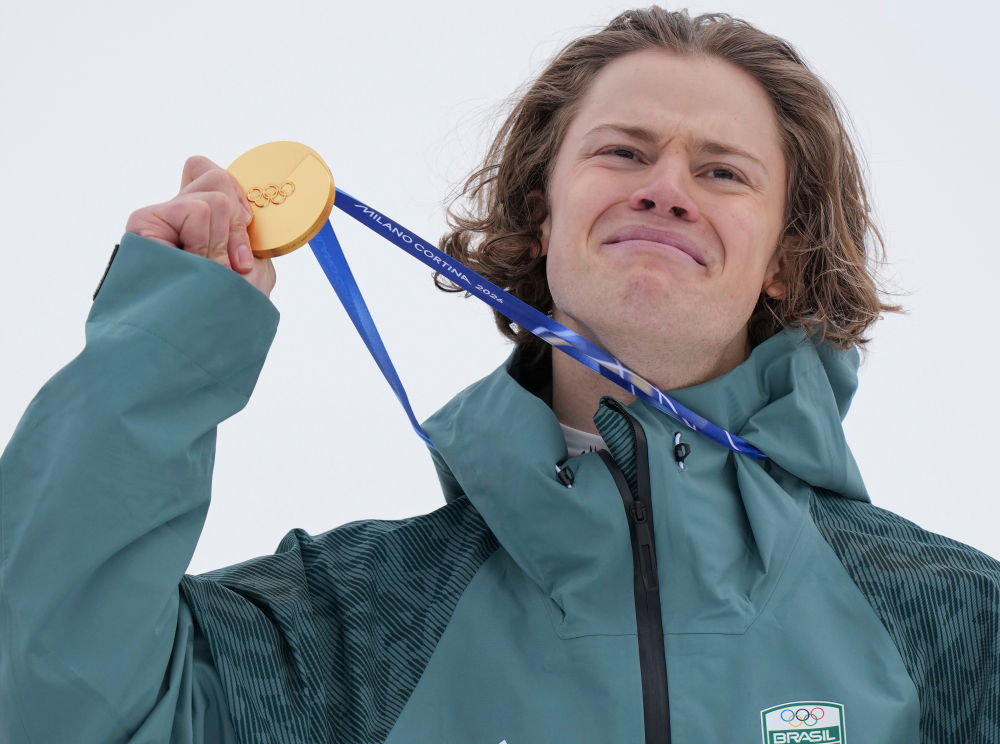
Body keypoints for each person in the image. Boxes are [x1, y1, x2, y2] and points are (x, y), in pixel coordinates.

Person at [1, 6, 997, 744]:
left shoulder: (952, 623)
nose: (666, 189)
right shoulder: (360, 626)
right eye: (624, 152)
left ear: (784, 258)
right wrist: (160, 344)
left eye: (722, 171)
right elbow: (54, 706)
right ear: (541, 219)